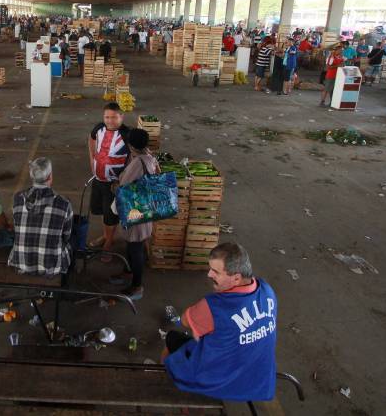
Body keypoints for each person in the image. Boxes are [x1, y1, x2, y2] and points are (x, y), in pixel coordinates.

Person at [163, 242, 277, 403]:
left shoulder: (214, 306)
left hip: (221, 382)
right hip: (259, 380)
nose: (209, 275)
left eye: (216, 272)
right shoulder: (267, 291)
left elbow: (184, 321)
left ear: (236, 278)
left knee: (172, 338)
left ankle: (168, 384)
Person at [109, 128, 159, 301]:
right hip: (145, 209)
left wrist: (114, 185)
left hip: (136, 213)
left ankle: (137, 286)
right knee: (132, 245)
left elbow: (123, 185)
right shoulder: (148, 156)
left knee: (135, 247)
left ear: (130, 145)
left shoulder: (138, 163)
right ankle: (128, 272)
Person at [8, 157, 74, 277]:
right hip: (52, 268)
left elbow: (16, 228)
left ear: (32, 177)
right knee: (71, 243)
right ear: (50, 177)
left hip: (22, 264)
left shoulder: (18, 199)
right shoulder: (64, 204)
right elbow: (66, 236)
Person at [88, 102, 130, 259]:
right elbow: (91, 139)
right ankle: (106, 235)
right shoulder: (99, 128)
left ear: (121, 116)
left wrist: (125, 178)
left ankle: (109, 243)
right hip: (98, 179)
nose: (110, 121)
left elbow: (140, 155)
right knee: (101, 210)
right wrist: (92, 159)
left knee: (111, 215)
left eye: (114, 117)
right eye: (107, 117)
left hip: (114, 185)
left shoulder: (127, 134)